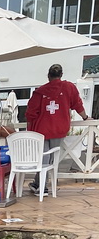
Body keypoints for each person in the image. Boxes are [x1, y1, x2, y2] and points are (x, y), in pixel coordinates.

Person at [25, 63, 89, 194]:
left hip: (41, 130)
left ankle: (41, 186)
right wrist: (85, 117)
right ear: (61, 75)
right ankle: (41, 185)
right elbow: (77, 104)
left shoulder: (39, 92)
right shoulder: (69, 87)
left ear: (48, 76)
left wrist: (29, 129)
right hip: (59, 128)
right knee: (52, 159)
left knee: (43, 158)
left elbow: (30, 113)